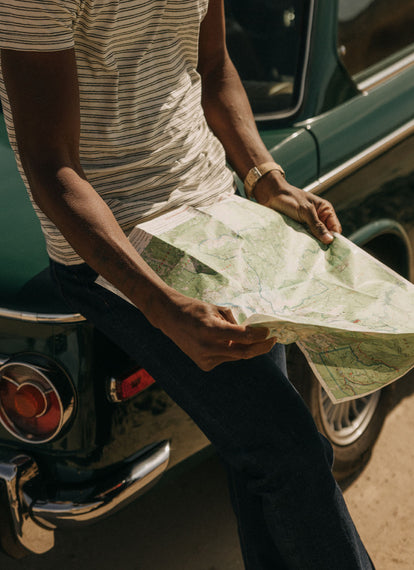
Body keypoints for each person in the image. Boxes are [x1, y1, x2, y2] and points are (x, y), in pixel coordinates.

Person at [0, 1, 374, 568]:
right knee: (290, 453)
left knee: (262, 454)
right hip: (120, 247)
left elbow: (213, 67)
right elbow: (51, 164)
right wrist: (164, 307)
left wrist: (263, 178)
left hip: (219, 214)